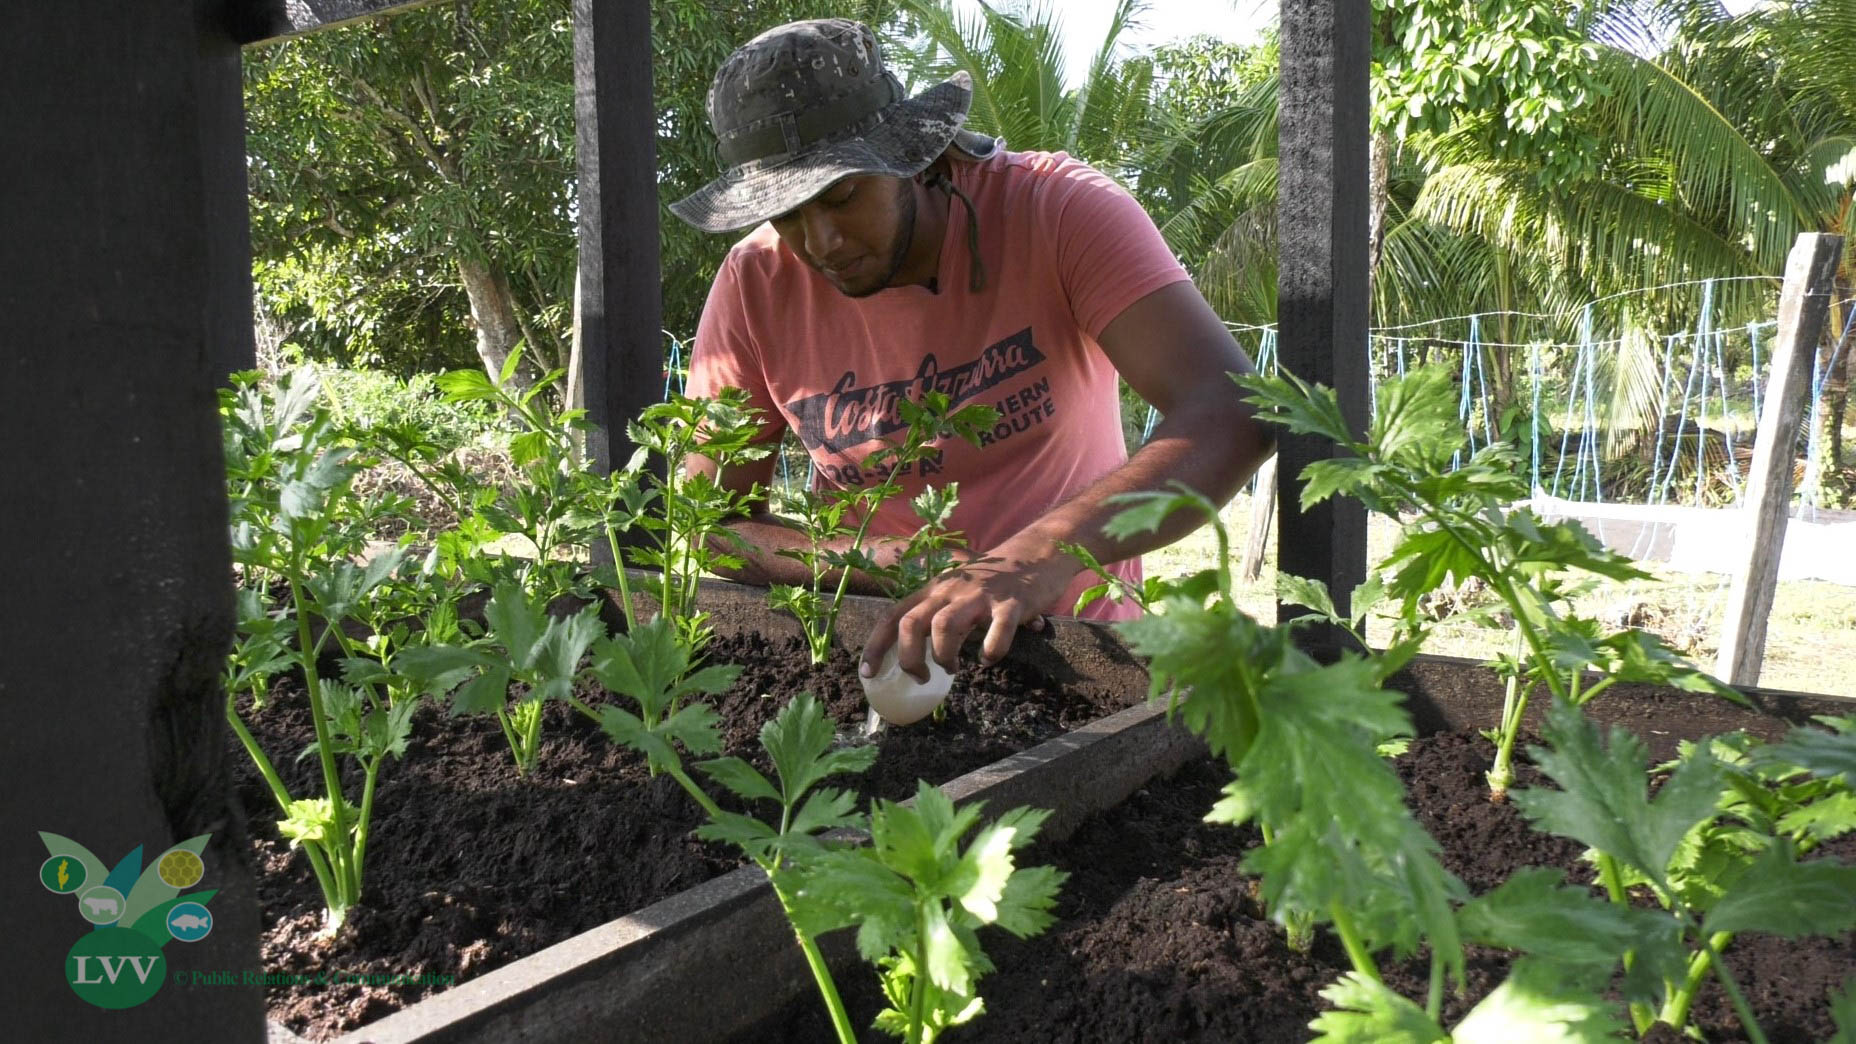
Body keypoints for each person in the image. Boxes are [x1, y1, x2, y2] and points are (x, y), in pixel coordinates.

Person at [668, 17, 1273, 685]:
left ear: (913, 155)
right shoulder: (755, 284)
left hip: (1078, 660)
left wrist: (1038, 555)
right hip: (876, 662)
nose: (820, 243)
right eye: (785, 215)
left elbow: (1232, 408)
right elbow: (710, 527)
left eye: (842, 196)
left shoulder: (1056, 211)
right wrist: (894, 563)